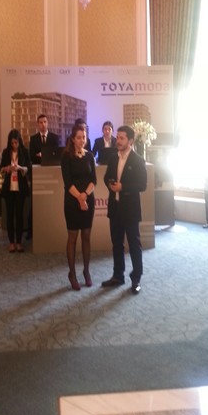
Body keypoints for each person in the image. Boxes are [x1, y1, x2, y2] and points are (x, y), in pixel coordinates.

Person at [102, 125, 147, 295]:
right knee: (117, 244)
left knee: (134, 245)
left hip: (130, 209)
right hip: (115, 208)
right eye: (118, 137)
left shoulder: (138, 160)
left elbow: (142, 185)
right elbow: (106, 177)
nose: (118, 141)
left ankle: (136, 279)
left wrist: (123, 187)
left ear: (130, 141)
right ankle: (118, 276)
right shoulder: (113, 158)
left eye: (122, 138)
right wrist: (110, 184)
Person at [61, 124, 97, 291]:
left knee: (87, 236)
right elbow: (68, 183)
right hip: (72, 200)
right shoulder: (66, 156)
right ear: (73, 139)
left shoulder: (89, 156)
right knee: (73, 237)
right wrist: (80, 197)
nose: (82, 140)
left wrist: (85, 195)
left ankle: (86, 271)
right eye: (79, 137)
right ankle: (72, 273)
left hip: (88, 199)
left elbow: (94, 180)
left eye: (84, 137)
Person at [0, 129, 31, 252]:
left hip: (20, 187)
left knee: (19, 215)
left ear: (19, 141)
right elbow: (1, 168)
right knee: (10, 215)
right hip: (9, 188)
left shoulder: (25, 152)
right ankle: (11, 242)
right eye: (12, 143)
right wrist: (7, 168)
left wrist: (20, 168)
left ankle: (19, 242)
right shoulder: (5, 152)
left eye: (16, 143)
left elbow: (28, 168)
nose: (14, 145)